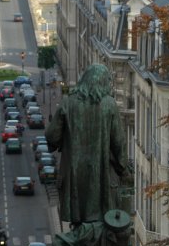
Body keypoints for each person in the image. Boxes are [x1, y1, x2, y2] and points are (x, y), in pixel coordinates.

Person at [45, 63, 128, 226]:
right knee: (98, 219)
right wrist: (122, 167)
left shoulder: (68, 103)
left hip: (74, 175)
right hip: (99, 176)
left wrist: (65, 141)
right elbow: (119, 142)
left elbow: (51, 135)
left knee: (78, 221)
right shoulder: (109, 104)